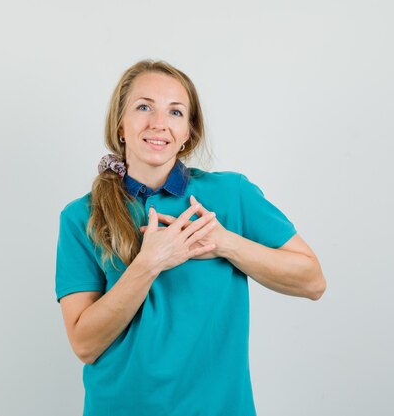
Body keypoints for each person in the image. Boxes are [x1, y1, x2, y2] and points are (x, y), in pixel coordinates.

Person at [54, 59, 326, 416]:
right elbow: (84, 344)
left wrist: (225, 242)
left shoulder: (231, 195)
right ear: (120, 124)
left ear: (188, 133)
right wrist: (149, 263)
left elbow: (313, 281)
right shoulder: (81, 216)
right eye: (143, 107)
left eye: (175, 112)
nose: (159, 124)